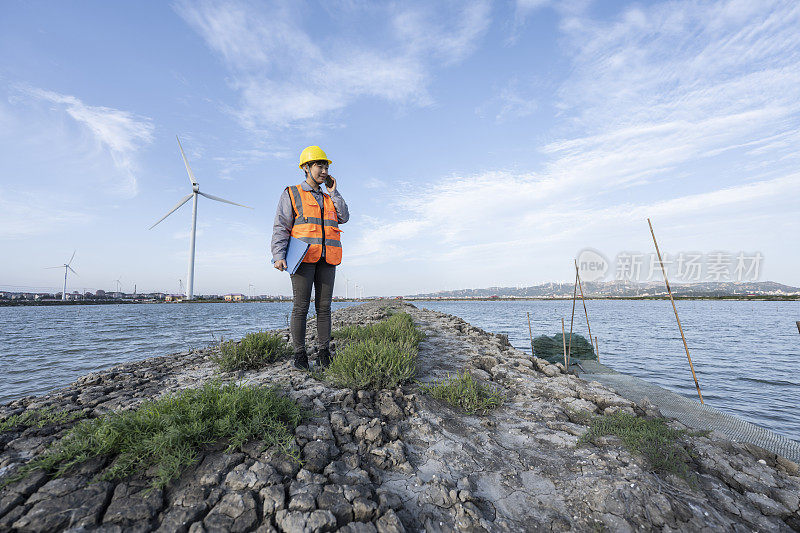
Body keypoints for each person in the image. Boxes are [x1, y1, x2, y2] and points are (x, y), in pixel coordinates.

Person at [271, 146, 349, 370]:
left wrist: (334, 192)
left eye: (326, 166)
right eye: (319, 165)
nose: (324, 170)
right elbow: (281, 226)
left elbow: (344, 217)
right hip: (302, 258)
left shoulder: (329, 197)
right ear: (306, 168)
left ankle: (324, 354)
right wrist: (278, 255)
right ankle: (300, 355)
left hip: (327, 259)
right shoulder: (292, 193)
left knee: (324, 308)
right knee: (301, 307)